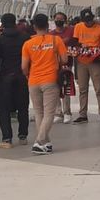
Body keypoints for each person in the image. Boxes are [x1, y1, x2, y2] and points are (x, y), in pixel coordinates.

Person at [22, 13, 68, 154]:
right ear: (48, 26)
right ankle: (39, 141)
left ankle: (46, 142)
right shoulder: (56, 40)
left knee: (38, 112)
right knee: (49, 113)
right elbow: (65, 59)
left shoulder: (28, 44)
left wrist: (29, 75)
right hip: (50, 80)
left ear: (34, 26)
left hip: (33, 81)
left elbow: (24, 67)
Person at [0, 13, 29, 148]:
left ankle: (7, 138)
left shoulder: (0, 40)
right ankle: (23, 136)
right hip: (22, 76)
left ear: (3, 25)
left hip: (5, 76)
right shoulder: (24, 37)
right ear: (15, 22)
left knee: (4, 108)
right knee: (23, 107)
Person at [70, 8, 100, 122]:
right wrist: (80, 47)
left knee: (99, 88)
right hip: (82, 60)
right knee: (83, 89)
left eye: (90, 20)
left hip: (96, 61)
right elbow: (74, 42)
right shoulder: (79, 26)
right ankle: (83, 114)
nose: (88, 23)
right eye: (86, 21)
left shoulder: (99, 26)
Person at [51, 13, 74, 123]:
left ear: (65, 20)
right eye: (57, 19)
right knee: (55, 88)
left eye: (61, 19)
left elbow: (76, 43)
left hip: (67, 64)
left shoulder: (70, 31)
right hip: (54, 64)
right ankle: (58, 112)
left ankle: (67, 112)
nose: (58, 21)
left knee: (66, 88)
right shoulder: (51, 34)